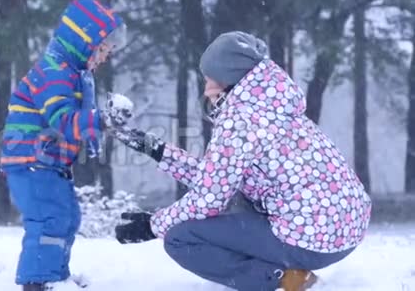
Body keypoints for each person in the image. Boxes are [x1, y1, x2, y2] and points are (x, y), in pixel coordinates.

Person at [111, 31, 372, 291]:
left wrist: (153, 225)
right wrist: (157, 150)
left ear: (228, 79)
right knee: (230, 208)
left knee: (181, 238)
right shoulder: (273, 107)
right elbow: (217, 181)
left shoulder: (240, 119)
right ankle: (286, 273)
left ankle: (285, 280)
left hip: (310, 239)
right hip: (344, 231)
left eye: (209, 79)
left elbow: (209, 197)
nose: (206, 89)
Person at [0, 0, 132, 291]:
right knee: (49, 220)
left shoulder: (70, 73)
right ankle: (38, 281)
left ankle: (56, 275)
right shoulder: (54, 72)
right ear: (82, 43)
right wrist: (99, 120)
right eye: (101, 50)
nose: (103, 58)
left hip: (48, 163)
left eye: (107, 53)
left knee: (68, 217)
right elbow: (62, 120)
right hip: (31, 161)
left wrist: (103, 122)